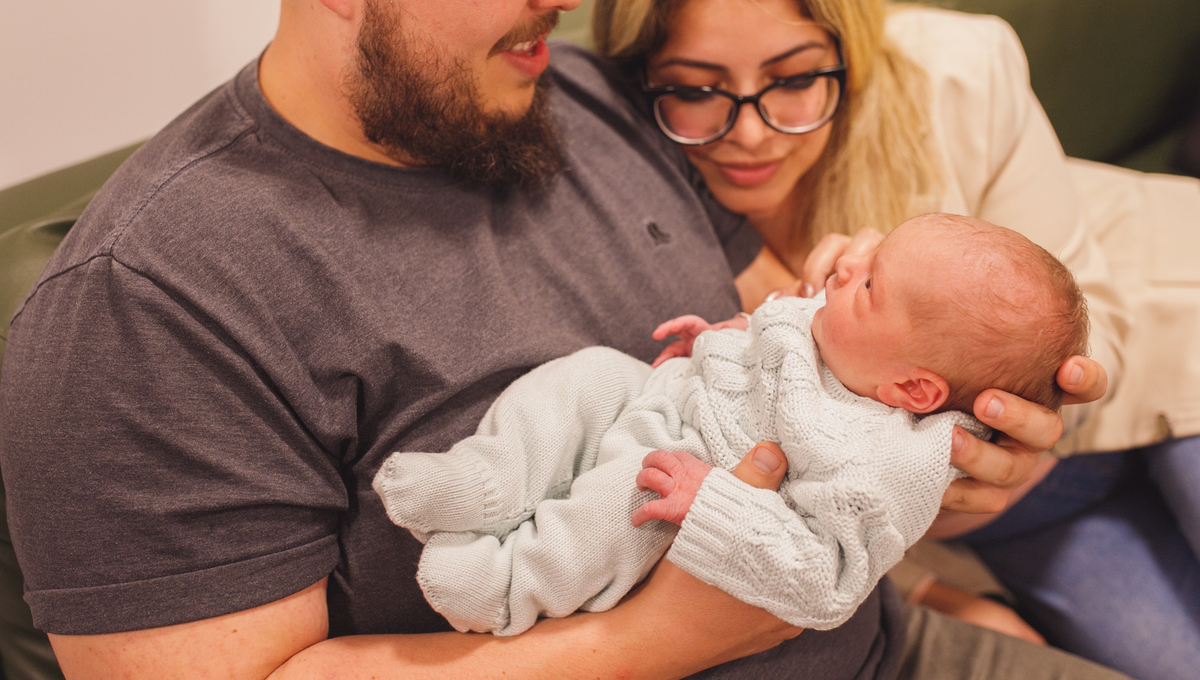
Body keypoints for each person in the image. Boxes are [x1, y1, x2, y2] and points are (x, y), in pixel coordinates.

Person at [0, 0, 1115, 678]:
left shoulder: (582, 99)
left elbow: (810, 376)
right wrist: (651, 641)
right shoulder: (149, 304)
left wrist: (964, 471)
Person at [590, 0, 1200, 678]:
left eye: (795, 79)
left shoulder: (961, 73)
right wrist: (936, 593)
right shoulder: (625, 217)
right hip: (1010, 523)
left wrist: (1049, 395)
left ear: (851, 46)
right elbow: (795, 497)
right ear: (641, 76)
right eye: (697, 90)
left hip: (1171, 352)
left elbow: (1092, 316)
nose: (748, 133)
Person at [374, 213, 1086, 637]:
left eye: (871, 285)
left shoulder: (886, 462)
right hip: (665, 398)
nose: (848, 265)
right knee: (588, 372)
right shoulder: (853, 340)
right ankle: (490, 480)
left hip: (691, 485)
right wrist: (719, 338)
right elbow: (776, 344)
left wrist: (713, 502)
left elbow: (826, 579)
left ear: (915, 389)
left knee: (629, 497)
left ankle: (505, 585)